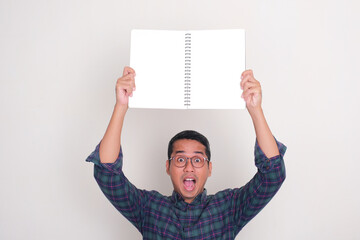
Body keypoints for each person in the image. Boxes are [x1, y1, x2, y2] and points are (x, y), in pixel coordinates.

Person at [86, 66, 286, 239]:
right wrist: (121, 106)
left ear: (209, 168)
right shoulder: (149, 208)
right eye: (180, 159)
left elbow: (272, 175)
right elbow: (107, 175)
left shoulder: (228, 208)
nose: (189, 167)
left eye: (198, 160)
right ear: (168, 166)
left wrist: (255, 109)